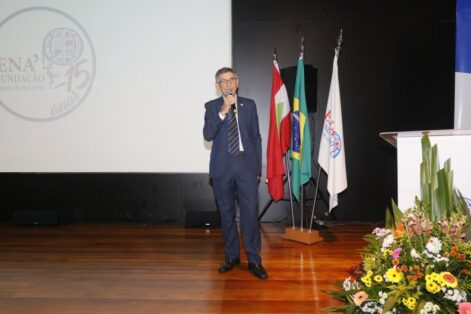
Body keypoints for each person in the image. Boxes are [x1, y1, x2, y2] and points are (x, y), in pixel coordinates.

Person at [203, 67, 267, 280]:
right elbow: (208, 134)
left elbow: (256, 137)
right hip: (222, 169)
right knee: (227, 216)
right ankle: (232, 257)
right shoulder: (212, 107)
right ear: (218, 86)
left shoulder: (249, 105)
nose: (228, 84)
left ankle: (254, 259)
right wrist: (222, 111)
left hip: (246, 168)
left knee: (249, 215)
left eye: (231, 80)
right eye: (223, 81)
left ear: (237, 82)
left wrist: (257, 168)